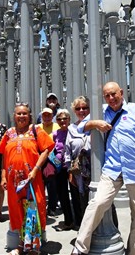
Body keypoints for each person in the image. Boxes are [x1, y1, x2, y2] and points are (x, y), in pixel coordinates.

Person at [71, 82, 135, 255]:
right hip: (113, 169)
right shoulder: (102, 111)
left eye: (114, 94)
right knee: (97, 203)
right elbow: (80, 127)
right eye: (107, 96)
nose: (111, 98)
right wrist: (95, 122)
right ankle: (80, 248)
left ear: (121, 92)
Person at [0, 103, 55, 255]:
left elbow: (46, 149)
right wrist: (3, 176)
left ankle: (34, 248)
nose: (21, 116)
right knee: (18, 213)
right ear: (14, 116)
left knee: (33, 211)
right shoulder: (8, 133)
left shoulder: (36, 130)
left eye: (24, 114)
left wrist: (36, 169)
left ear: (29, 115)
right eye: (18, 114)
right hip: (13, 182)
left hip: (32, 180)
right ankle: (22, 245)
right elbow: (4, 156)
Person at [64, 96, 91, 227]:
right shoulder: (71, 129)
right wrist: (70, 171)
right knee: (82, 201)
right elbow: (67, 152)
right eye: (78, 108)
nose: (82, 111)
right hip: (79, 173)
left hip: (96, 170)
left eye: (85, 107)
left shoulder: (96, 124)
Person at [53, 109, 75, 231]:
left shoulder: (73, 131)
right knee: (62, 194)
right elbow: (52, 148)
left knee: (76, 193)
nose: (62, 121)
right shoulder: (55, 134)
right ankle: (68, 220)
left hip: (72, 167)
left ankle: (79, 219)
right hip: (60, 168)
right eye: (59, 119)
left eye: (64, 118)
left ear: (69, 119)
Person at [38, 107, 60, 217]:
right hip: (40, 158)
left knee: (52, 182)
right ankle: (41, 206)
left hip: (52, 159)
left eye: (49, 115)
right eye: (44, 115)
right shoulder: (37, 128)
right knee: (41, 183)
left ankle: (52, 207)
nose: (46, 117)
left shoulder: (57, 126)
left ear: (52, 116)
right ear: (41, 116)